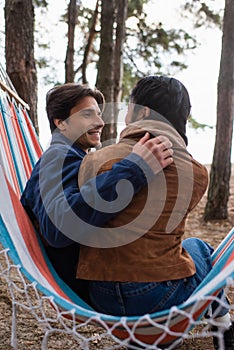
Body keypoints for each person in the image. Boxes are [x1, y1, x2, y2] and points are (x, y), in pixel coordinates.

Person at [77, 76, 234, 350]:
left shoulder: (95, 158)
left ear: (144, 113)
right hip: (154, 297)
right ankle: (223, 325)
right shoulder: (195, 174)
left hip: (99, 296)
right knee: (200, 248)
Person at [20, 82, 173, 304]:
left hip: (88, 277)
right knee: (198, 250)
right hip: (88, 285)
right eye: (87, 114)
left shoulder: (68, 158)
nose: (100, 122)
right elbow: (58, 225)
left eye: (99, 114)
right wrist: (137, 167)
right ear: (61, 123)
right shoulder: (58, 156)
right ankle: (221, 325)